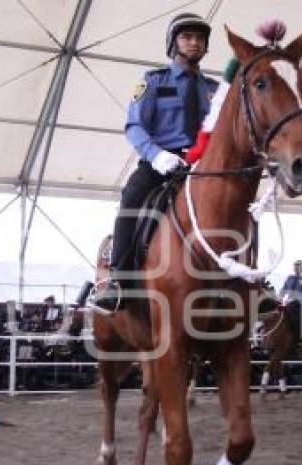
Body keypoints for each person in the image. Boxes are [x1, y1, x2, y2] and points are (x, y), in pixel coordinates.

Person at [93, 12, 218, 311]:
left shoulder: (215, 89)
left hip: (201, 167)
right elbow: (134, 126)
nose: (195, 43)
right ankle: (119, 280)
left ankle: (252, 283)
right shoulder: (153, 81)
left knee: (239, 203)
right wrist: (157, 155)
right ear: (173, 43)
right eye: (187, 37)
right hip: (161, 164)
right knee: (131, 197)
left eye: (200, 38)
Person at [280, 260, 302, 342]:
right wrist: (280, 298)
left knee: (295, 319)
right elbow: (283, 289)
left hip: (299, 304)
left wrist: (293, 301)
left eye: (298, 266)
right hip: (287, 302)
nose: (296, 268)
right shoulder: (289, 278)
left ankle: (298, 339)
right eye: (295, 266)